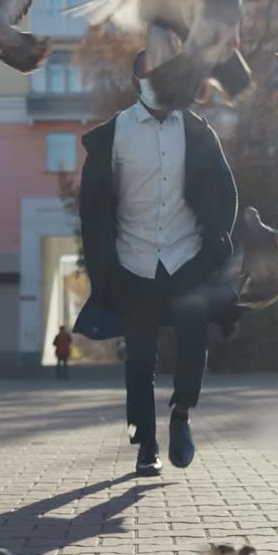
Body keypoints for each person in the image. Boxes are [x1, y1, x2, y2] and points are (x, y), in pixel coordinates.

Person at [74, 50, 240, 477]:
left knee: (193, 340)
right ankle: (146, 446)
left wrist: (216, 239)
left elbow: (225, 191)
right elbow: (93, 206)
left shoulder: (197, 131)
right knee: (140, 359)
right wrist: (103, 264)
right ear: (137, 79)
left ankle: (182, 413)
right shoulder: (114, 136)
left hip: (186, 256)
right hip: (134, 261)